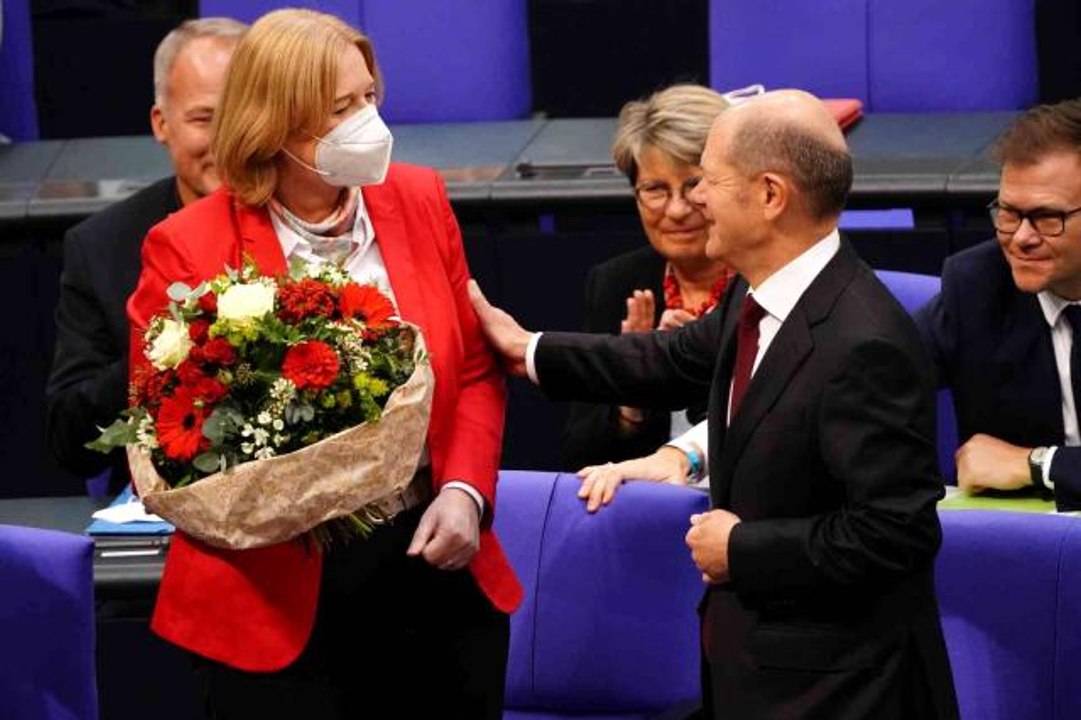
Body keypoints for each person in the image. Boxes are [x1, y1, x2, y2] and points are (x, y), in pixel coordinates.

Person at [470, 90, 957, 718]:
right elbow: (667, 359)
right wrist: (527, 350)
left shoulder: (865, 341)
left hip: (839, 690)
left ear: (770, 195)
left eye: (708, 180)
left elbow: (897, 533)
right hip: (760, 672)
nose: (695, 200)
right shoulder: (757, 296)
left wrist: (742, 547)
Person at [126, 9, 520, 719]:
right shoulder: (186, 244)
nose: (366, 122)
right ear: (273, 124)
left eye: (368, 96)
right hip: (275, 602)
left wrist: (466, 492)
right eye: (339, 109)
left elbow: (472, 372)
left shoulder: (420, 197)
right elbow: (166, 434)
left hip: (434, 567)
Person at [45, 17, 246, 494]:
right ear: (161, 124)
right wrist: (159, 348)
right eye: (204, 119)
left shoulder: (310, 219)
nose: (226, 139)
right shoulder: (101, 246)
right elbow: (69, 441)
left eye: (242, 114)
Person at [915, 99, 1081, 510]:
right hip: (1025, 540)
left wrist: (1038, 464)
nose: (1021, 238)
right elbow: (870, 379)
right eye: (1008, 214)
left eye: (1047, 217)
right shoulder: (976, 285)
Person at [562, 84, 732, 478]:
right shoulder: (617, 284)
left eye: (694, 185)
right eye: (655, 189)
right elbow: (578, 456)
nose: (676, 210)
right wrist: (633, 396)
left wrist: (696, 362)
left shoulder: (766, 281)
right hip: (647, 502)